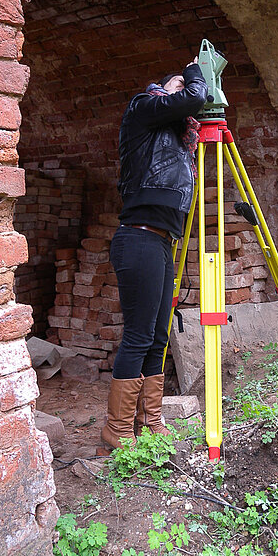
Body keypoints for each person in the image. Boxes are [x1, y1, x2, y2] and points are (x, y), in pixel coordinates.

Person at [101, 58, 208, 450]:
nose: (188, 89)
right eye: (177, 84)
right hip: (138, 237)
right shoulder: (143, 108)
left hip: (161, 242)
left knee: (158, 336)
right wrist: (193, 74)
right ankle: (118, 431)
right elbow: (193, 99)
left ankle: (152, 420)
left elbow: (190, 110)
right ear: (163, 89)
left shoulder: (179, 139)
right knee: (139, 335)